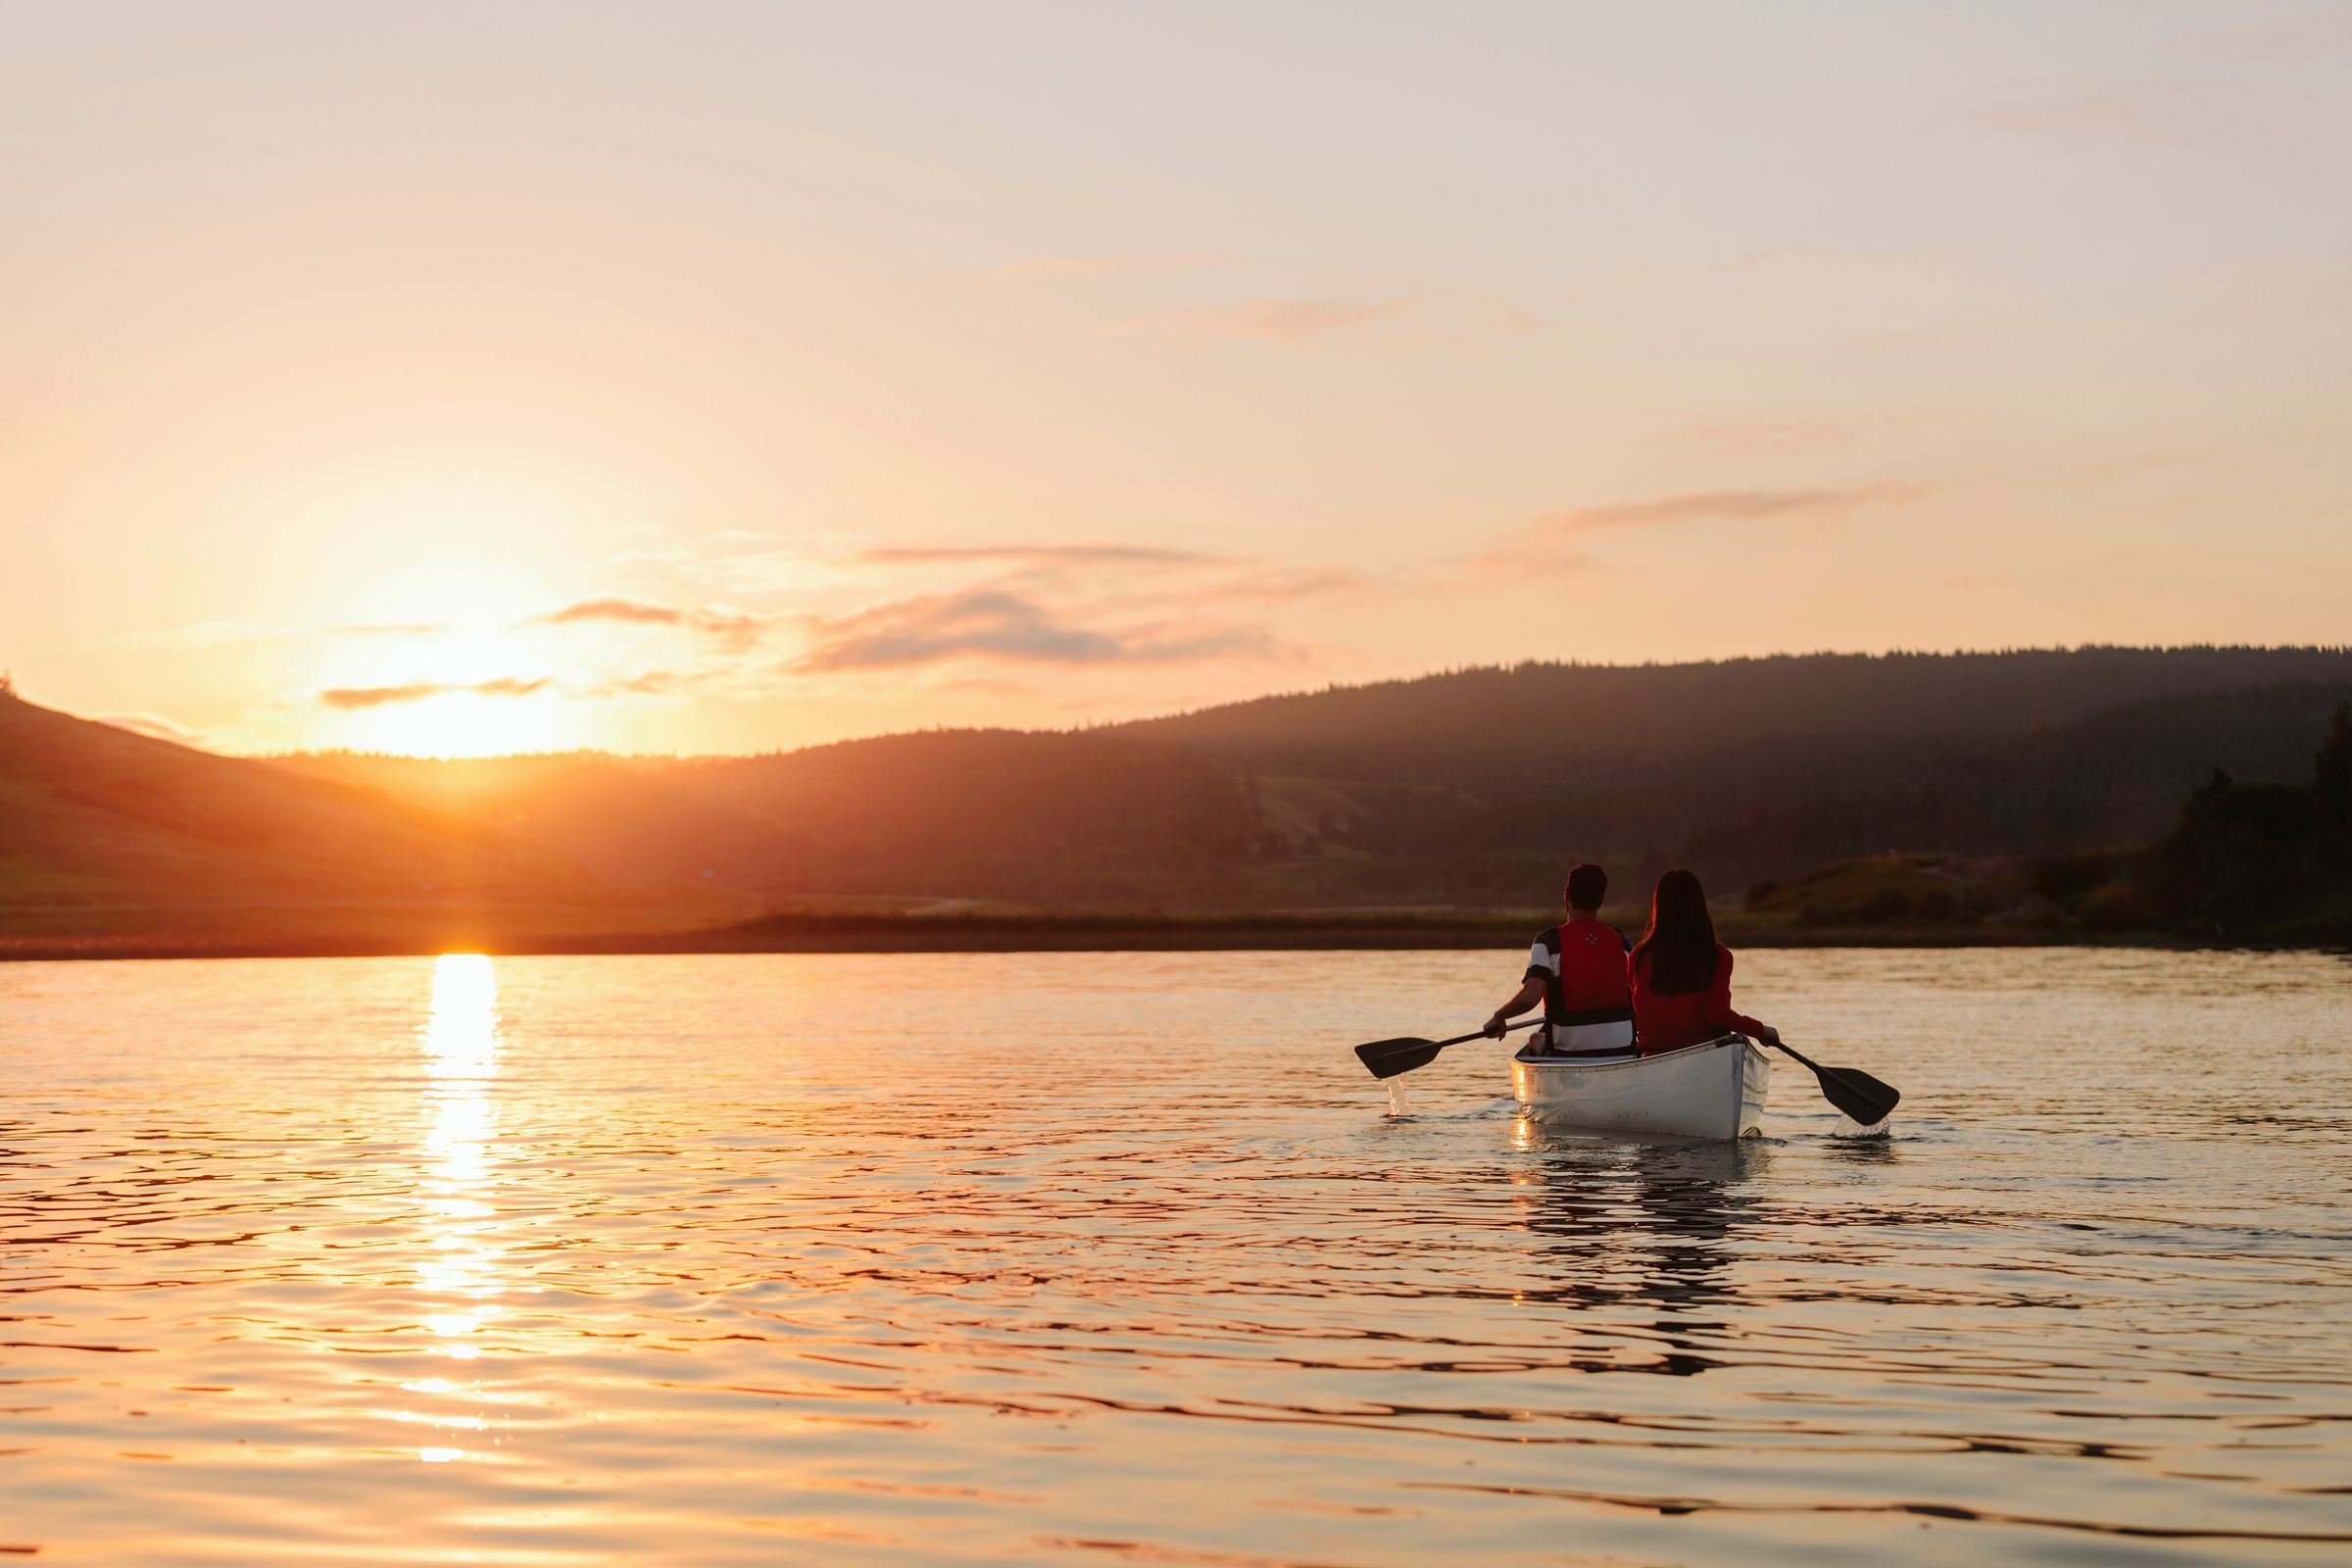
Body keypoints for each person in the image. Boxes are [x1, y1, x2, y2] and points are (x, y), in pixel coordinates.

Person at [1483, 863, 1635, 1056]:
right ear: (1602, 900)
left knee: (1535, 1040)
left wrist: (1499, 1016)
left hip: (1568, 1053)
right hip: (1622, 1051)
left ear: (1566, 895)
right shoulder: (1622, 942)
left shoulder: (1548, 943)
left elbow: (1530, 997)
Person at [1627, 868, 1782, 1055]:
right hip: (1704, 1056)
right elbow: (1716, 1013)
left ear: (1659, 907)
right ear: (1699, 906)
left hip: (1653, 1057)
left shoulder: (1638, 957)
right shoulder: (1717, 956)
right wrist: (1760, 1030)